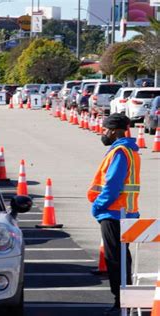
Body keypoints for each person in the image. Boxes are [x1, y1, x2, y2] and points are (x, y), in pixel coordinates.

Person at [87, 113, 140, 316]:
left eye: (104, 129)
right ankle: (125, 300)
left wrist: (98, 206)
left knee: (115, 259)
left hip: (113, 212)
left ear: (113, 130)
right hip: (125, 212)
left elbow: (112, 186)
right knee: (122, 259)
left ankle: (120, 302)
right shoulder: (130, 150)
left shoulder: (119, 151)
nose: (102, 132)